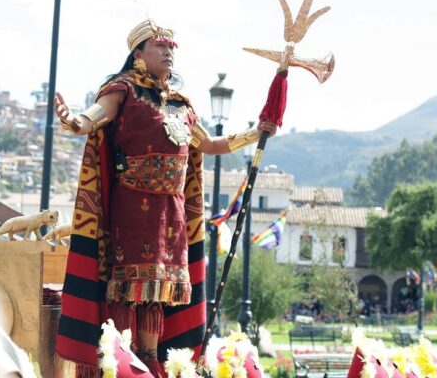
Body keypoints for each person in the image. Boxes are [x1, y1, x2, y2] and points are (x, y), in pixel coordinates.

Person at [54, 19, 276, 378]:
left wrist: (255, 133)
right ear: (137, 53)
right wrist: (73, 122)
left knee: (158, 293)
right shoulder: (121, 89)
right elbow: (94, 118)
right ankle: (119, 361)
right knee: (128, 288)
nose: (169, 53)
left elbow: (211, 144)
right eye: (160, 46)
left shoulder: (180, 103)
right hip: (131, 209)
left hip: (171, 214)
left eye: (172, 47)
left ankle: (151, 363)